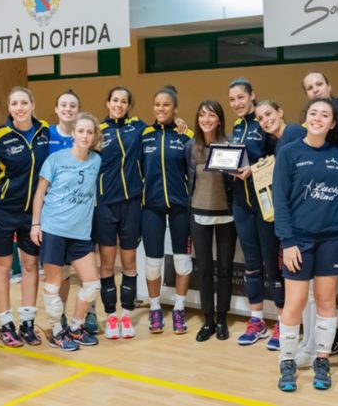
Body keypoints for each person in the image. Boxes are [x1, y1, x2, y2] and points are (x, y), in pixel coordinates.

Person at [274, 97, 338, 392]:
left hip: (332, 237)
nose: (318, 118)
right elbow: (280, 201)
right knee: (295, 303)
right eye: (313, 113)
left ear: (332, 123)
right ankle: (287, 361)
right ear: (306, 118)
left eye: (325, 115)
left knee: (327, 302)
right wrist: (288, 241)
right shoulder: (290, 152)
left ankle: (322, 360)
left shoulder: (337, 153)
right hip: (298, 240)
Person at [31, 113, 102, 351]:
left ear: (94, 137)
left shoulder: (96, 161)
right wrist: (36, 224)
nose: (84, 135)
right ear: (73, 133)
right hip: (54, 229)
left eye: (89, 132)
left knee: (92, 284)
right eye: (80, 130)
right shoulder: (55, 159)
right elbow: (40, 193)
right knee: (53, 284)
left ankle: (75, 327)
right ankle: (57, 331)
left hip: (81, 233)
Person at [299, 71, 338, 364]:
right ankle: (314, 343)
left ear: (329, 86)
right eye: (309, 88)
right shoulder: (307, 131)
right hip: (316, 223)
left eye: (319, 84)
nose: (315, 90)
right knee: (318, 292)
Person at [0, 86, 50, 346]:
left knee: (30, 266)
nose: (20, 108)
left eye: (24, 102)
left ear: (32, 104)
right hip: (2, 209)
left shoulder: (45, 131)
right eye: (14, 103)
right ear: (9, 107)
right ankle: (5, 325)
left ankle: (27, 322)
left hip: (33, 213)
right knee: (2, 267)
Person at [228, 78, 282, 350]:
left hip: (266, 203)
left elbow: (277, 160)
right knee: (251, 264)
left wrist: (256, 168)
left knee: (272, 264)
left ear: (252, 95)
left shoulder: (264, 124)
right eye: (232, 99)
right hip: (242, 203)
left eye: (241, 97)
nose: (237, 103)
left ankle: (283, 323)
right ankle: (257, 321)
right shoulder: (236, 127)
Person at [141, 85, 194, 334]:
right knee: (152, 263)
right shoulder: (145, 135)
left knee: (182, 262)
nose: (161, 108)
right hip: (151, 207)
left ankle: (179, 309)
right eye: (157, 104)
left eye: (166, 105)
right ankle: (154, 309)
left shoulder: (185, 136)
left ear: (175, 108)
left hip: (180, 206)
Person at [95, 86, 146, 339]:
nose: (119, 104)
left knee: (129, 262)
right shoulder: (97, 131)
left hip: (131, 204)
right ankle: (110, 316)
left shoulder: (137, 127)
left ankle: (126, 315)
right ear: (107, 102)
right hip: (104, 206)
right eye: (115, 100)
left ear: (128, 105)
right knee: (106, 264)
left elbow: (162, 129)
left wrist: (181, 124)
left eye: (124, 101)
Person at [47, 90, 99, 334]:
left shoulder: (94, 150)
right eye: (63, 105)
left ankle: (88, 313)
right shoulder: (45, 135)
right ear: (56, 108)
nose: (68, 109)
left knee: (89, 276)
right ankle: (60, 320)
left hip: (82, 219)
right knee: (61, 275)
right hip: (54, 220)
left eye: (73, 105)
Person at [185, 100, 236, 342]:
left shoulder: (229, 145)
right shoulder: (190, 147)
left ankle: (222, 318)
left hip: (227, 214)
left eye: (211, 115)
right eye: (202, 115)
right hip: (198, 214)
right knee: (204, 268)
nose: (206, 119)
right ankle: (208, 321)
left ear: (219, 119)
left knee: (225, 269)